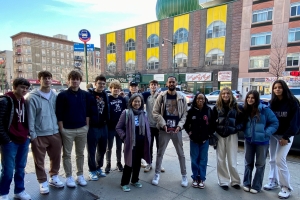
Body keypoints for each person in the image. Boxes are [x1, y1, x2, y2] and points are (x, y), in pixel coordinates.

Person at [26, 71, 64, 194]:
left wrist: (60, 131)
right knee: (39, 160)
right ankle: (42, 181)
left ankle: (54, 177)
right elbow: (30, 118)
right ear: (39, 80)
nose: (47, 80)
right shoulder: (32, 97)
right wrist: (33, 136)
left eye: (49, 78)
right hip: (39, 134)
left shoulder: (54, 95)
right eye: (44, 78)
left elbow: (58, 114)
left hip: (54, 132)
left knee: (56, 157)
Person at [264, 80, 300, 199]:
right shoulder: (272, 103)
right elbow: (268, 119)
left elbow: (295, 123)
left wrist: (286, 137)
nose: (277, 89)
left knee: (280, 160)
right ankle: (273, 181)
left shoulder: (293, 103)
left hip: (286, 136)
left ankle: (286, 187)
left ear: (284, 88)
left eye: (280, 87)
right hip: (274, 135)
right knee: (272, 159)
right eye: (275, 88)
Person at [56, 70, 90, 187]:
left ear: (80, 81)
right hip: (67, 130)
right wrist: (62, 129)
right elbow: (59, 113)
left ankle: (80, 175)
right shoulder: (62, 95)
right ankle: (69, 176)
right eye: (72, 79)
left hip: (82, 129)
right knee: (67, 154)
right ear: (68, 80)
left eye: (77, 79)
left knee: (80, 154)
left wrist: (86, 126)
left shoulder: (85, 95)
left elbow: (87, 112)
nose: (75, 81)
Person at [152, 76, 188, 187]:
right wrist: (163, 124)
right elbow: (155, 112)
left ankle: (184, 175)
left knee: (181, 154)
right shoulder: (161, 97)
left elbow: (185, 114)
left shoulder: (182, 97)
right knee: (160, 153)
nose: (172, 83)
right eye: (170, 82)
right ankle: (157, 174)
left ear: (176, 83)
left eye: (173, 81)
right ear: (167, 84)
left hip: (177, 130)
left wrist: (180, 126)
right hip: (164, 130)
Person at [0, 78, 32, 200]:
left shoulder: (23, 101)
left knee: (20, 168)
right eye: (22, 87)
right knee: (8, 170)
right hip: (9, 142)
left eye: (26, 88)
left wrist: (27, 135)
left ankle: (19, 191)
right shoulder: (5, 101)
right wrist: (6, 140)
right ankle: (3, 193)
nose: (24, 90)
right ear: (15, 87)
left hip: (23, 140)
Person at [242, 90, 278, 194]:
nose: (250, 99)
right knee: (248, 163)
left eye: (252, 98)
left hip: (262, 142)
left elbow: (275, 123)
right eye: (248, 97)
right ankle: (246, 183)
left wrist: (266, 133)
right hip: (249, 140)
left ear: (256, 99)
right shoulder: (245, 109)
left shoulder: (265, 110)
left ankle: (256, 186)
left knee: (260, 164)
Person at [115, 93, 151, 192]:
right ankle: (124, 183)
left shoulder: (144, 113)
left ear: (141, 103)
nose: (137, 103)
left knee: (137, 163)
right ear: (131, 102)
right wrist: (125, 137)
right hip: (130, 143)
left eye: (139, 101)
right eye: (135, 101)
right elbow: (118, 128)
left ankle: (135, 180)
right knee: (128, 163)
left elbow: (146, 127)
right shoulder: (126, 113)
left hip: (141, 142)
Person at [212, 87, 244, 190]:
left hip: (232, 135)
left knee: (232, 160)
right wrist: (214, 131)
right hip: (219, 135)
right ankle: (223, 181)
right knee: (220, 159)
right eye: (223, 94)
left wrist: (235, 128)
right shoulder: (216, 107)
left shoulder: (237, 107)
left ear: (231, 95)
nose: (226, 95)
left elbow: (242, 122)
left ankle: (235, 181)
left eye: (228, 93)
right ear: (220, 95)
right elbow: (212, 122)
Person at [183, 93, 215, 189]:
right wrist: (189, 133)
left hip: (205, 140)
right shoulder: (191, 111)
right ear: (195, 100)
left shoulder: (209, 110)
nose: (200, 100)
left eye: (202, 98)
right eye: (198, 99)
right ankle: (195, 178)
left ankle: (202, 179)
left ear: (205, 100)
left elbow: (213, 125)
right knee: (194, 160)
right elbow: (185, 124)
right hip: (194, 140)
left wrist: (208, 134)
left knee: (203, 160)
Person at [86, 75, 110, 180]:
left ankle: (99, 167)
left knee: (102, 149)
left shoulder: (105, 94)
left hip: (103, 126)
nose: (101, 85)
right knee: (91, 150)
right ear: (95, 83)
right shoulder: (89, 95)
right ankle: (92, 170)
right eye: (99, 83)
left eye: (103, 84)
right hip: (93, 127)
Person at [142, 80, 165, 173]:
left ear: (157, 86)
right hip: (149, 126)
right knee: (149, 146)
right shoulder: (146, 96)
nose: (153, 86)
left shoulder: (161, 96)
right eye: (152, 85)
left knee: (159, 147)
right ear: (149, 86)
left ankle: (159, 164)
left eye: (155, 85)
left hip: (158, 126)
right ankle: (149, 163)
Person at [124, 81, 148, 168]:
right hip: (129, 126)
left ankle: (141, 159)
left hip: (139, 125)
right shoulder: (126, 98)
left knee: (139, 146)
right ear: (129, 87)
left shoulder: (142, 95)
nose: (133, 88)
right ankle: (128, 161)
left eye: (135, 86)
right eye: (132, 86)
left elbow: (152, 92)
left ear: (138, 88)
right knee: (129, 149)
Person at [105, 80, 126, 173]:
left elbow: (126, 110)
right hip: (110, 127)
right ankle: (108, 163)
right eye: (114, 88)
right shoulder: (107, 99)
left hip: (120, 128)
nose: (116, 90)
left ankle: (119, 162)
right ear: (111, 89)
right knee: (108, 147)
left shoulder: (122, 99)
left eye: (118, 88)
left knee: (119, 147)